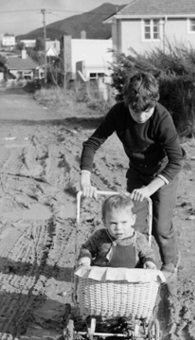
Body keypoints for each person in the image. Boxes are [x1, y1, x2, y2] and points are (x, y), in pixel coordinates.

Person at [79, 72, 184, 280]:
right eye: (136, 113)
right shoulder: (118, 113)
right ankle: (138, 267)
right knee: (134, 226)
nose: (142, 117)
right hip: (137, 172)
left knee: (161, 225)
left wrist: (149, 189)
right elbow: (92, 144)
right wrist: (85, 179)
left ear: (154, 103)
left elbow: (176, 161)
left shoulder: (162, 118)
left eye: (147, 111)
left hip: (163, 172)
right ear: (127, 103)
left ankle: (170, 264)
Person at [77, 194, 158, 269]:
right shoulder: (100, 236)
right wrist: (85, 257)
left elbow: (147, 254)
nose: (119, 228)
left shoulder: (138, 239)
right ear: (105, 222)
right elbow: (86, 248)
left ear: (133, 220)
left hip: (131, 280)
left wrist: (149, 262)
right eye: (113, 223)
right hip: (102, 279)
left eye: (124, 222)